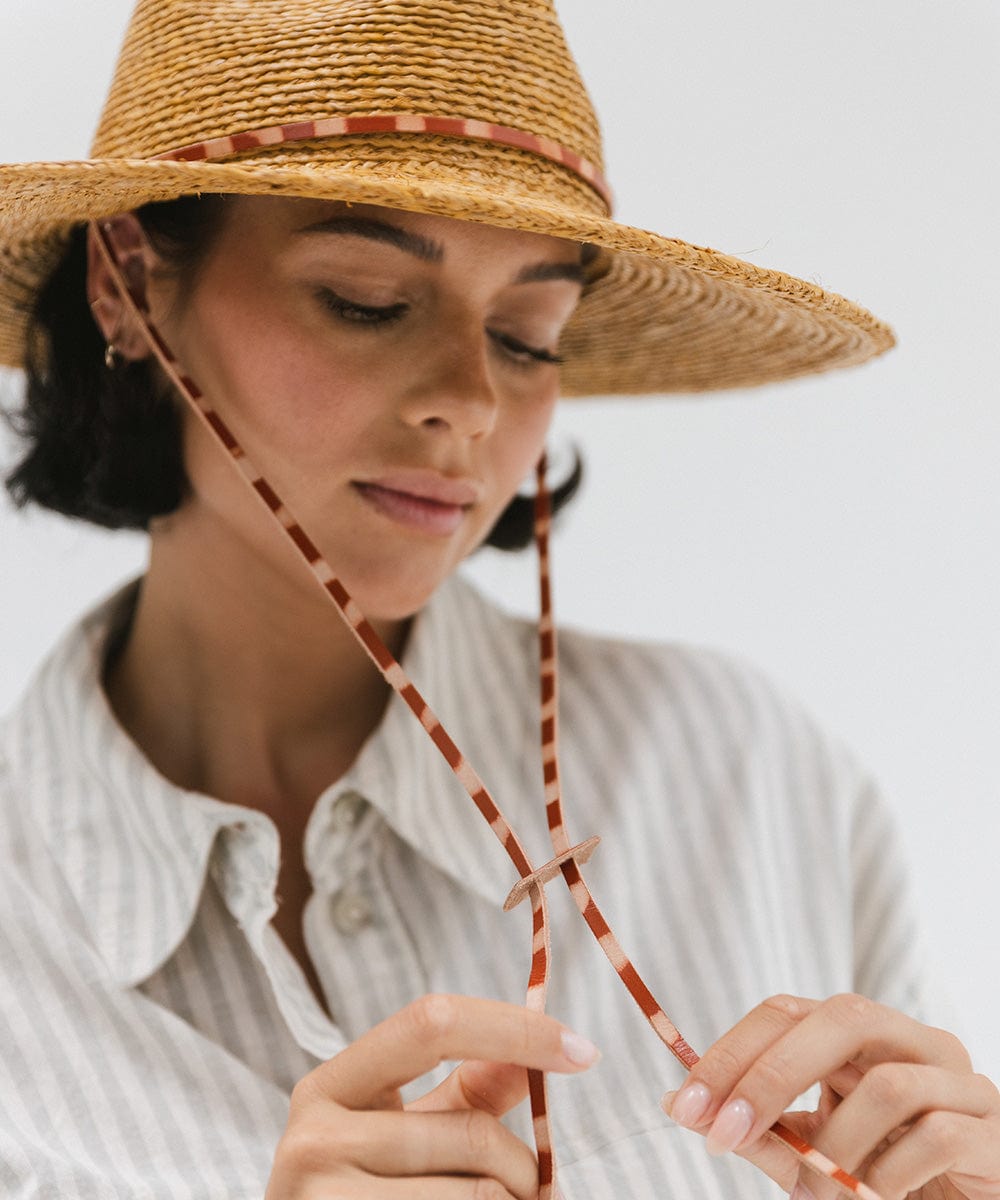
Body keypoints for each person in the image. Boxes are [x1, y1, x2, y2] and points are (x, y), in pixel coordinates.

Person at [1, 2, 997, 1199]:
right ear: (126, 280)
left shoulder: (750, 777)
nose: (470, 402)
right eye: (368, 299)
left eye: (529, 335)